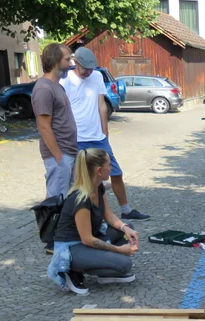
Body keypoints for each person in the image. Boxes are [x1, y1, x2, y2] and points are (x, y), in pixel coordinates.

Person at [61, 47, 150, 222]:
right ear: (75, 63)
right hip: (77, 139)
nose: (88, 72)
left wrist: (105, 132)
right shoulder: (66, 81)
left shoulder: (97, 77)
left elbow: (102, 105)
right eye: (85, 68)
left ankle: (126, 210)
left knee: (115, 172)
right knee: (80, 180)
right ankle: (76, 216)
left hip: (98, 137)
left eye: (91, 68)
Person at [47, 148, 140, 295]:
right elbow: (87, 239)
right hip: (74, 247)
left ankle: (105, 270)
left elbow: (108, 215)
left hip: (89, 238)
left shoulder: (98, 186)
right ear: (99, 170)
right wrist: (119, 250)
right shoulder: (82, 199)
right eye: (108, 165)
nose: (111, 168)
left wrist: (125, 228)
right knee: (125, 264)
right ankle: (73, 269)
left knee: (128, 227)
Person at [32, 43, 77, 201]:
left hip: (68, 152)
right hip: (60, 155)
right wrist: (59, 158)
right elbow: (44, 127)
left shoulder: (57, 86)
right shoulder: (44, 89)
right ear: (55, 60)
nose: (70, 64)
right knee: (56, 202)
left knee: (70, 200)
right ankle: (53, 227)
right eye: (67, 59)